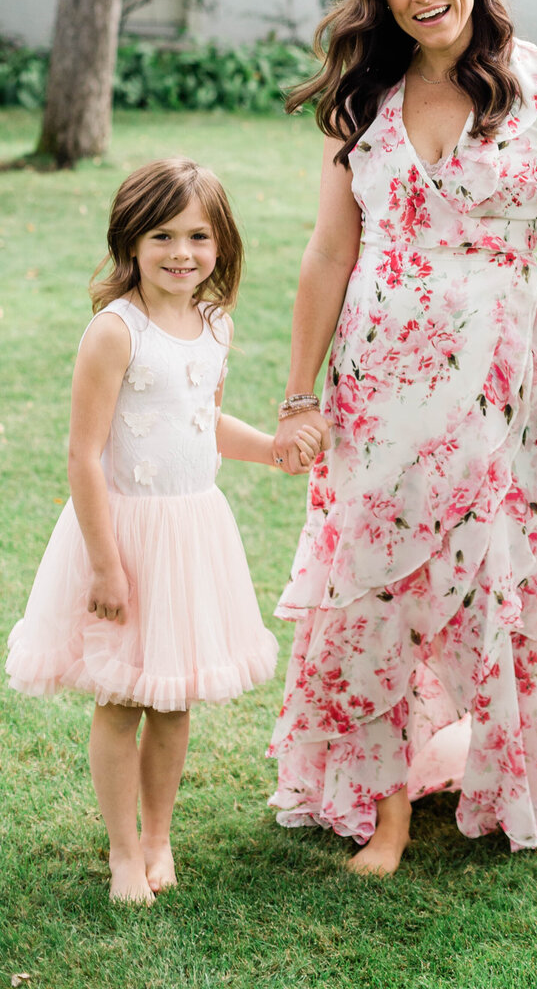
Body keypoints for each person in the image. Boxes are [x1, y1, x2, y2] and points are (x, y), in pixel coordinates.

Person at [268, 0, 537, 873]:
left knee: (493, 563)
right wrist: (301, 397)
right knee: (379, 567)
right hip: (379, 374)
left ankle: (505, 772)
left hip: (503, 368)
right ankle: (371, 790)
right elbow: (330, 254)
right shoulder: (361, 102)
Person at [5, 159, 315, 905]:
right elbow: (83, 455)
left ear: (222, 244)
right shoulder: (115, 333)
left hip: (190, 533)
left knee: (171, 702)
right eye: (163, 234)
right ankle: (120, 850)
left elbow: (201, 421)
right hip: (122, 536)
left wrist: (271, 447)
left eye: (199, 235)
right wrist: (107, 566)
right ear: (131, 243)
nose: (182, 251)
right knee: (120, 698)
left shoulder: (214, 324)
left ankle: (157, 837)